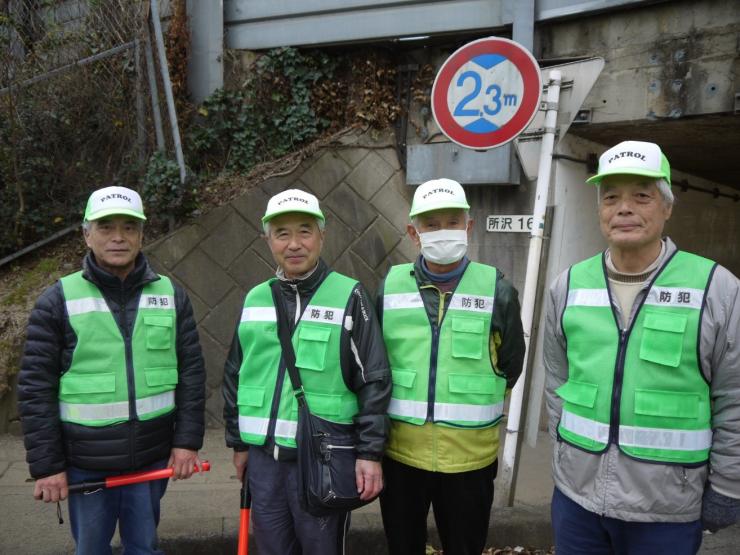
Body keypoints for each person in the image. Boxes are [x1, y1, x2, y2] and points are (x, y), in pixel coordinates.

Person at [544, 140, 740, 554]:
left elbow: (734, 397)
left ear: (667, 206)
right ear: (600, 210)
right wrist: (563, 460)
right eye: (611, 196)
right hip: (577, 503)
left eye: (642, 196)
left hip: (667, 510)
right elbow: (556, 381)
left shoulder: (716, 289)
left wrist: (727, 485)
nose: (624, 208)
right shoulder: (568, 285)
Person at [17, 186, 206, 555]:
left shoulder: (171, 295)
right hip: (86, 464)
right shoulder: (58, 299)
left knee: (144, 549)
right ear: (87, 234)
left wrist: (186, 443)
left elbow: (192, 375)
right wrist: (48, 467)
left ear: (141, 234)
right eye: (106, 227)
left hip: (150, 456)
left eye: (129, 227)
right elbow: (35, 390)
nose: (118, 237)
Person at [222, 188, 391, 555]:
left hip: (323, 457)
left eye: (305, 231)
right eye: (282, 233)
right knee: (271, 548)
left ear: (322, 236)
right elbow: (235, 373)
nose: (294, 244)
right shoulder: (255, 298)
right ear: (268, 240)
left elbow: (374, 381)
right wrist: (238, 443)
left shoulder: (350, 295)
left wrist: (370, 454)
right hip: (264, 460)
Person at [377, 178, 526, 555]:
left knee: (465, 547)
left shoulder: (498, 291)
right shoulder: (390, 287)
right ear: (414, 232)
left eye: (452, 221)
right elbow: (374, 363)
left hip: (470, 460)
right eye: (431, 224)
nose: (443, 231)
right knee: (402, 547)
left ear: (468, 227)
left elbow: (511, 364)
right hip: (400, 456)